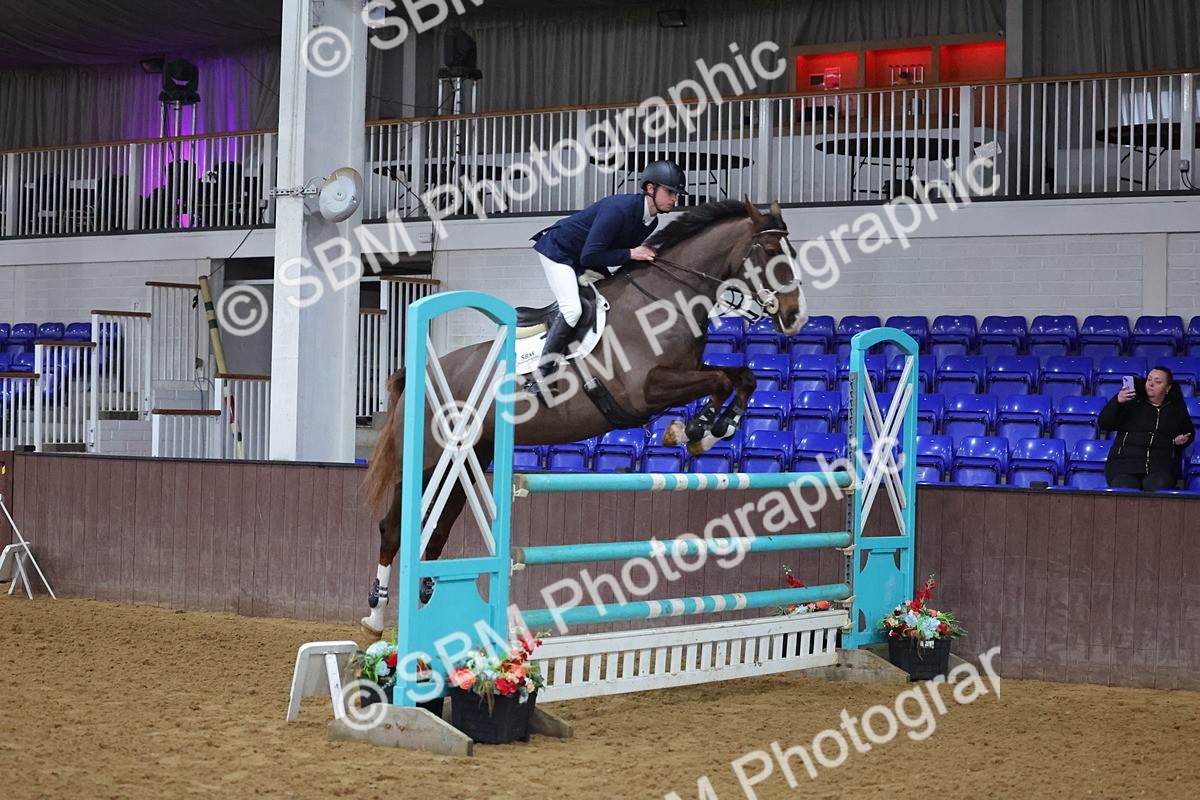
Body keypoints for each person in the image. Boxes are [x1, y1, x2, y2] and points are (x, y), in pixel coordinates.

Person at [524, 159, 687, 395]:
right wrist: (633, 253)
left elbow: (609, 253)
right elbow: (592, 256)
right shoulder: (619, 209)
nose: (674, 199)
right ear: (650, 188)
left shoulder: (651, 221)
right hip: (560, 252)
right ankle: (540, 377)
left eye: (677, 194)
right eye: (670, 192)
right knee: (572, 309)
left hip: (584, 256)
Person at [1099, 366, 1195, 491]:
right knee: (1124, 488)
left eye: (1158, 382)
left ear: (1168, 388)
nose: (1151, 384)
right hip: (1124, 464)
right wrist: (1118, 401)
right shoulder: (1131, 400)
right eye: (1149, 380)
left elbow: (1188, 433)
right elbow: (1104, 423)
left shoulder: (1176, 407)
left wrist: (1181, 440)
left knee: (1158, 487)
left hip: (1160, 466)